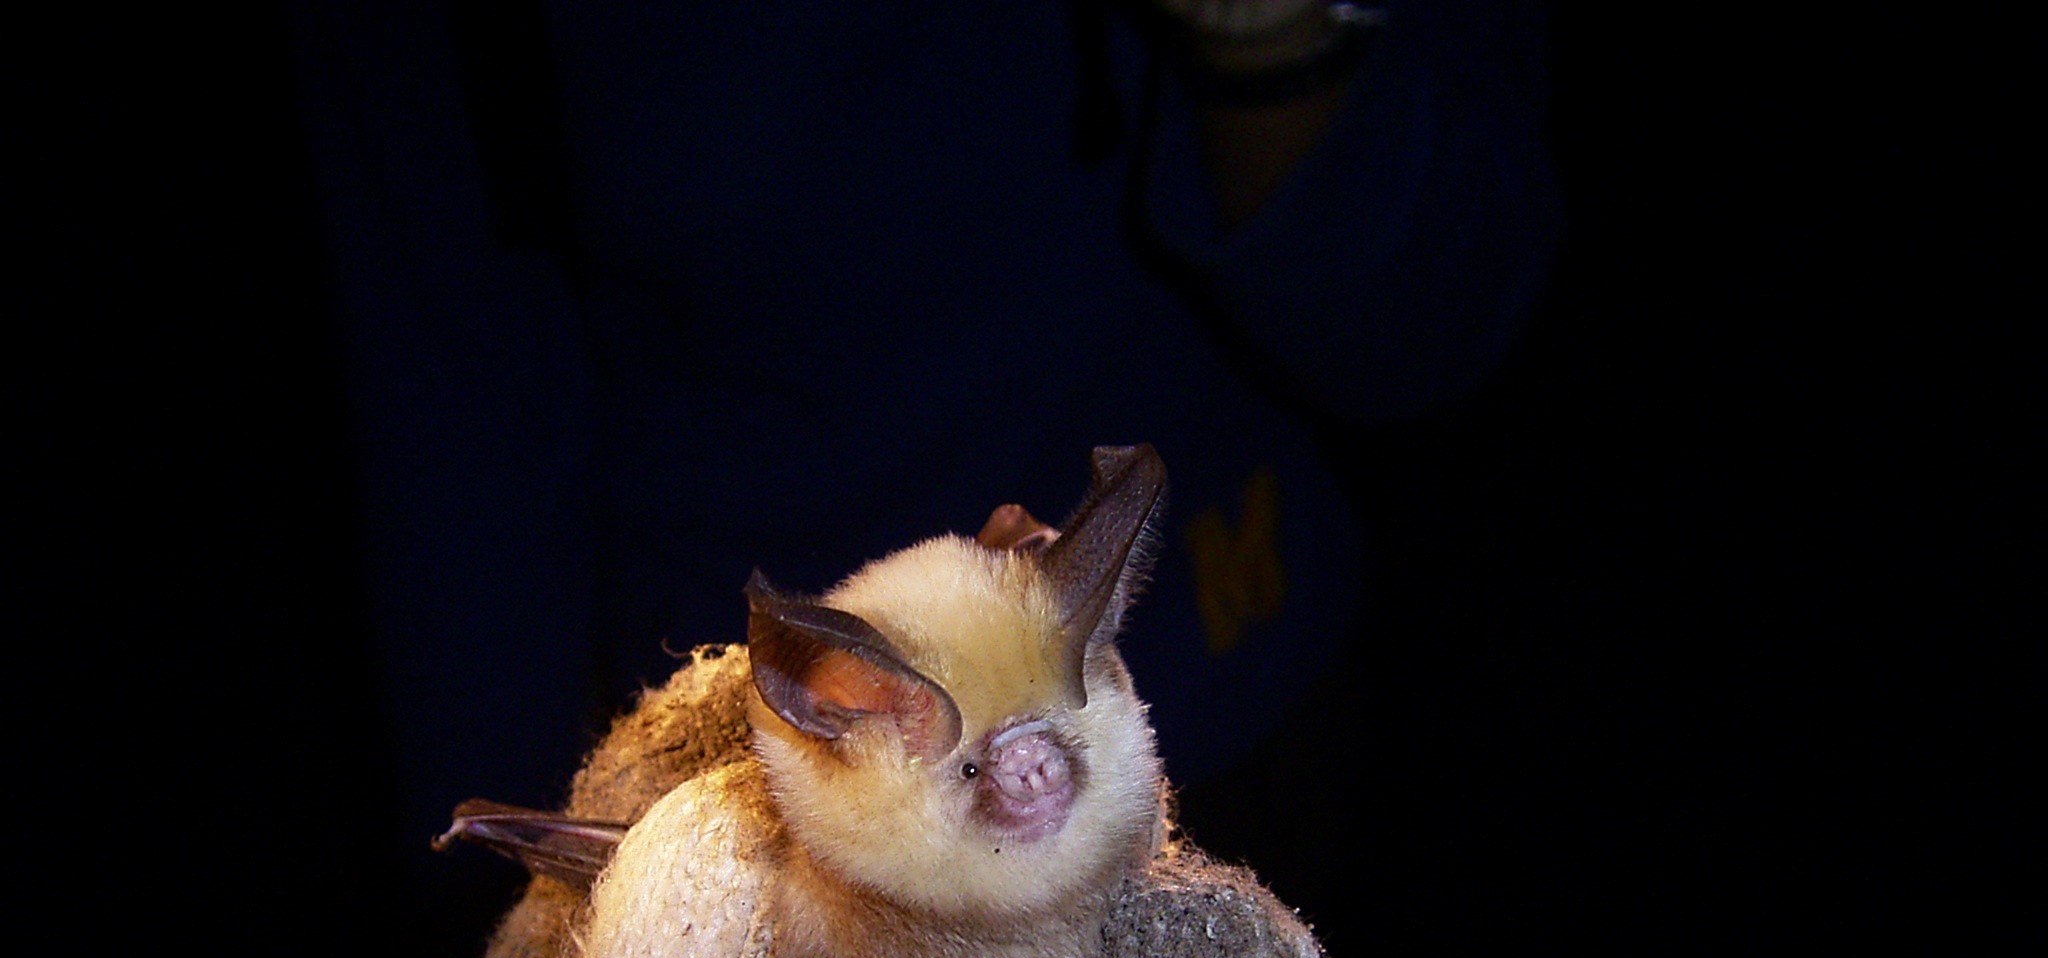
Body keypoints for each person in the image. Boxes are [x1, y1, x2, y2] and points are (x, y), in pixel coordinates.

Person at [289, 0, 1559, 829]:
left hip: (1244, 694)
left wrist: (1273, 46)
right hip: (769, 813)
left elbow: (1444, 319)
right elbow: (447, 435)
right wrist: (505, 913)